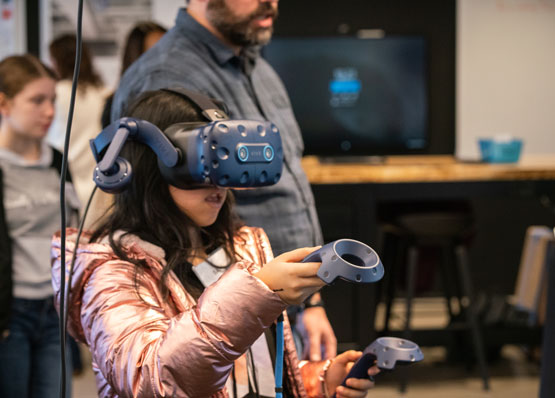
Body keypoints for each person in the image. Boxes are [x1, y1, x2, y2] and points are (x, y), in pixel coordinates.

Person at [51, 88, 378, 397]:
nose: (217, 181)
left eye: (224, 159)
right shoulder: (112, 274)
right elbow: (152, 379)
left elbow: (254, 375)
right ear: (154, 165)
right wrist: (255, 294)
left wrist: (318, 382)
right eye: (201, 162)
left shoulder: (240, 246)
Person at [111, 0, 337, 361]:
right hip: (223, 316)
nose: (270, 3)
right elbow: (166, 227)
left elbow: (283, 193)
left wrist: (310, 303)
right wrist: (257, 297)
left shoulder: (257, 68)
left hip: (282, 298)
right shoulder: (166, 76)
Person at [0, 54, 77, 397]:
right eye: (37, 101)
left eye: (53, 100)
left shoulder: (57, 162)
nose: (49, 111)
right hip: (9, 315)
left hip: (54, 310)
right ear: (3, 103)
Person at [48, 33, 112, 228]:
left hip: (65, 183)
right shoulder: (105, 92)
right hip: (99, 189)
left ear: (58, 61)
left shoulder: (56, 94)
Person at [100, 21, 167, 128]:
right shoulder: (115, 105)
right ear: (136, 58)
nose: (165, 60)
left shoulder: (177, 100)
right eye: (155, 55)